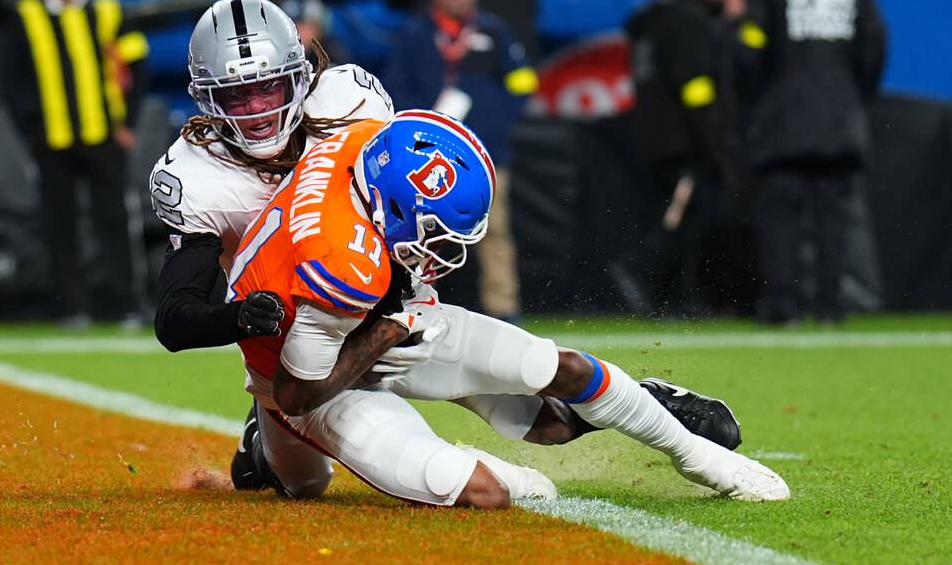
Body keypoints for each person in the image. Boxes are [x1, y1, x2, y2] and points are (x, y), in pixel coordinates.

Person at [152, 0, 745, 492]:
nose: (257, 112)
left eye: (270, 88)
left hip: (391, 302)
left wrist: (399, 297)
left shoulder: (346, 102)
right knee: (302, 485)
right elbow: (177, 317)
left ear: (300, 76)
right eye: (238, 97)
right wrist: (241, 319)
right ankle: (265, 444)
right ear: (207, 98)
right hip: (299, 335)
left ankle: (639, 399)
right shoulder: (198, 178)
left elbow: (407, 206)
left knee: (538, 417)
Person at [226, 109, 790, 508]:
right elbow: (297, 392)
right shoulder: (337, 265)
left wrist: (399, 322)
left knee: (556, 382)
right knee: (471, 492)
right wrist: (391, 329)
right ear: (387, 208)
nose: (444, 257)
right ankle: (266, 447)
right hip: (307, 375)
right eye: (435, 239)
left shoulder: (371, 140)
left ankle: (694, 454)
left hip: (389, 321)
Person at [747, 0, 886, 325]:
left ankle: (786, 307)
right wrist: (851, 96)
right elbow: (874, 45)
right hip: (840, 121)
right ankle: (830, 307)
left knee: (782, 219)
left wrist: (761, 98)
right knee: (833, 221)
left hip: (784, 120)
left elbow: (753, 47)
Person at [381, 0, 533, 324]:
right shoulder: (414, 35)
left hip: (482, 154)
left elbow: (523, 84)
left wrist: (491, 124)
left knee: (494, 230)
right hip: (423, 159)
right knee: (415, 234)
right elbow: (394, 91)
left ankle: (504, 309)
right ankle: (414, 305)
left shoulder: (495, 31)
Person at [3, 0, 150, 326]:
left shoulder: (109, 11)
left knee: (114, 220)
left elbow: (137, 67)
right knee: (58, 224)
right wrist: (29, 132)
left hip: (104, 136)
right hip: (51, 140)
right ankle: (69, 306)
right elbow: (11, 80)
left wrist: (128, 124)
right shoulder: (26, 15)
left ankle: (126, 304)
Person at [606, 0, 732, 317]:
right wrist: (713, 141)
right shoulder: (684, 20)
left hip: (652, 137)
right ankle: (640, 274)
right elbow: (693, 86)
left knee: (674, 216)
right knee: (682, 220)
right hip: (683, 140)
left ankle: (674, 299)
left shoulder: (651, 23)